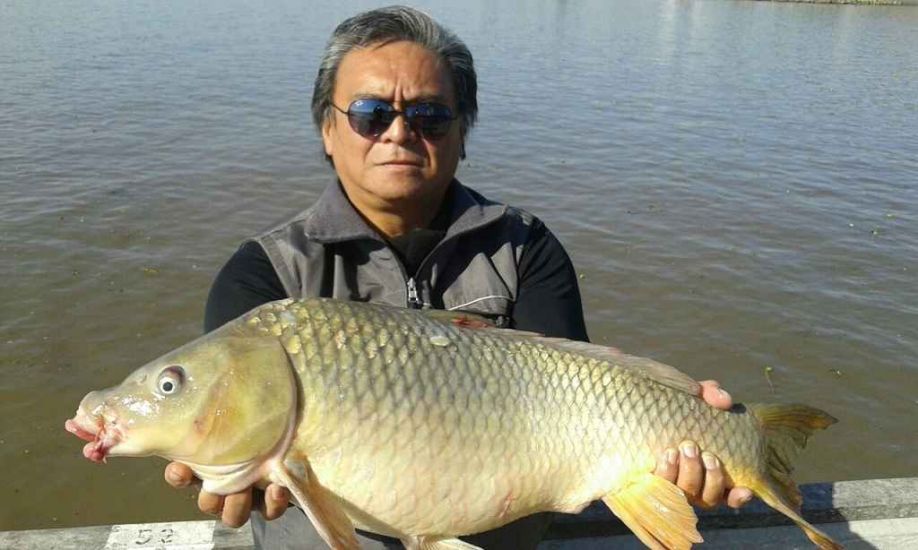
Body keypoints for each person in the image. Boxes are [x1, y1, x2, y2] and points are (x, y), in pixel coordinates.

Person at [164, 6, 753, 549]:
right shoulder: (262, 274)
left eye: (429, 116)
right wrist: (230, 474)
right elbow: (232, 445)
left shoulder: (525, 248)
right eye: (371, 114)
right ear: (327, 130)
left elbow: (589, 403)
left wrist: (684, 430)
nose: (399, 133)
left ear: (463, 132)